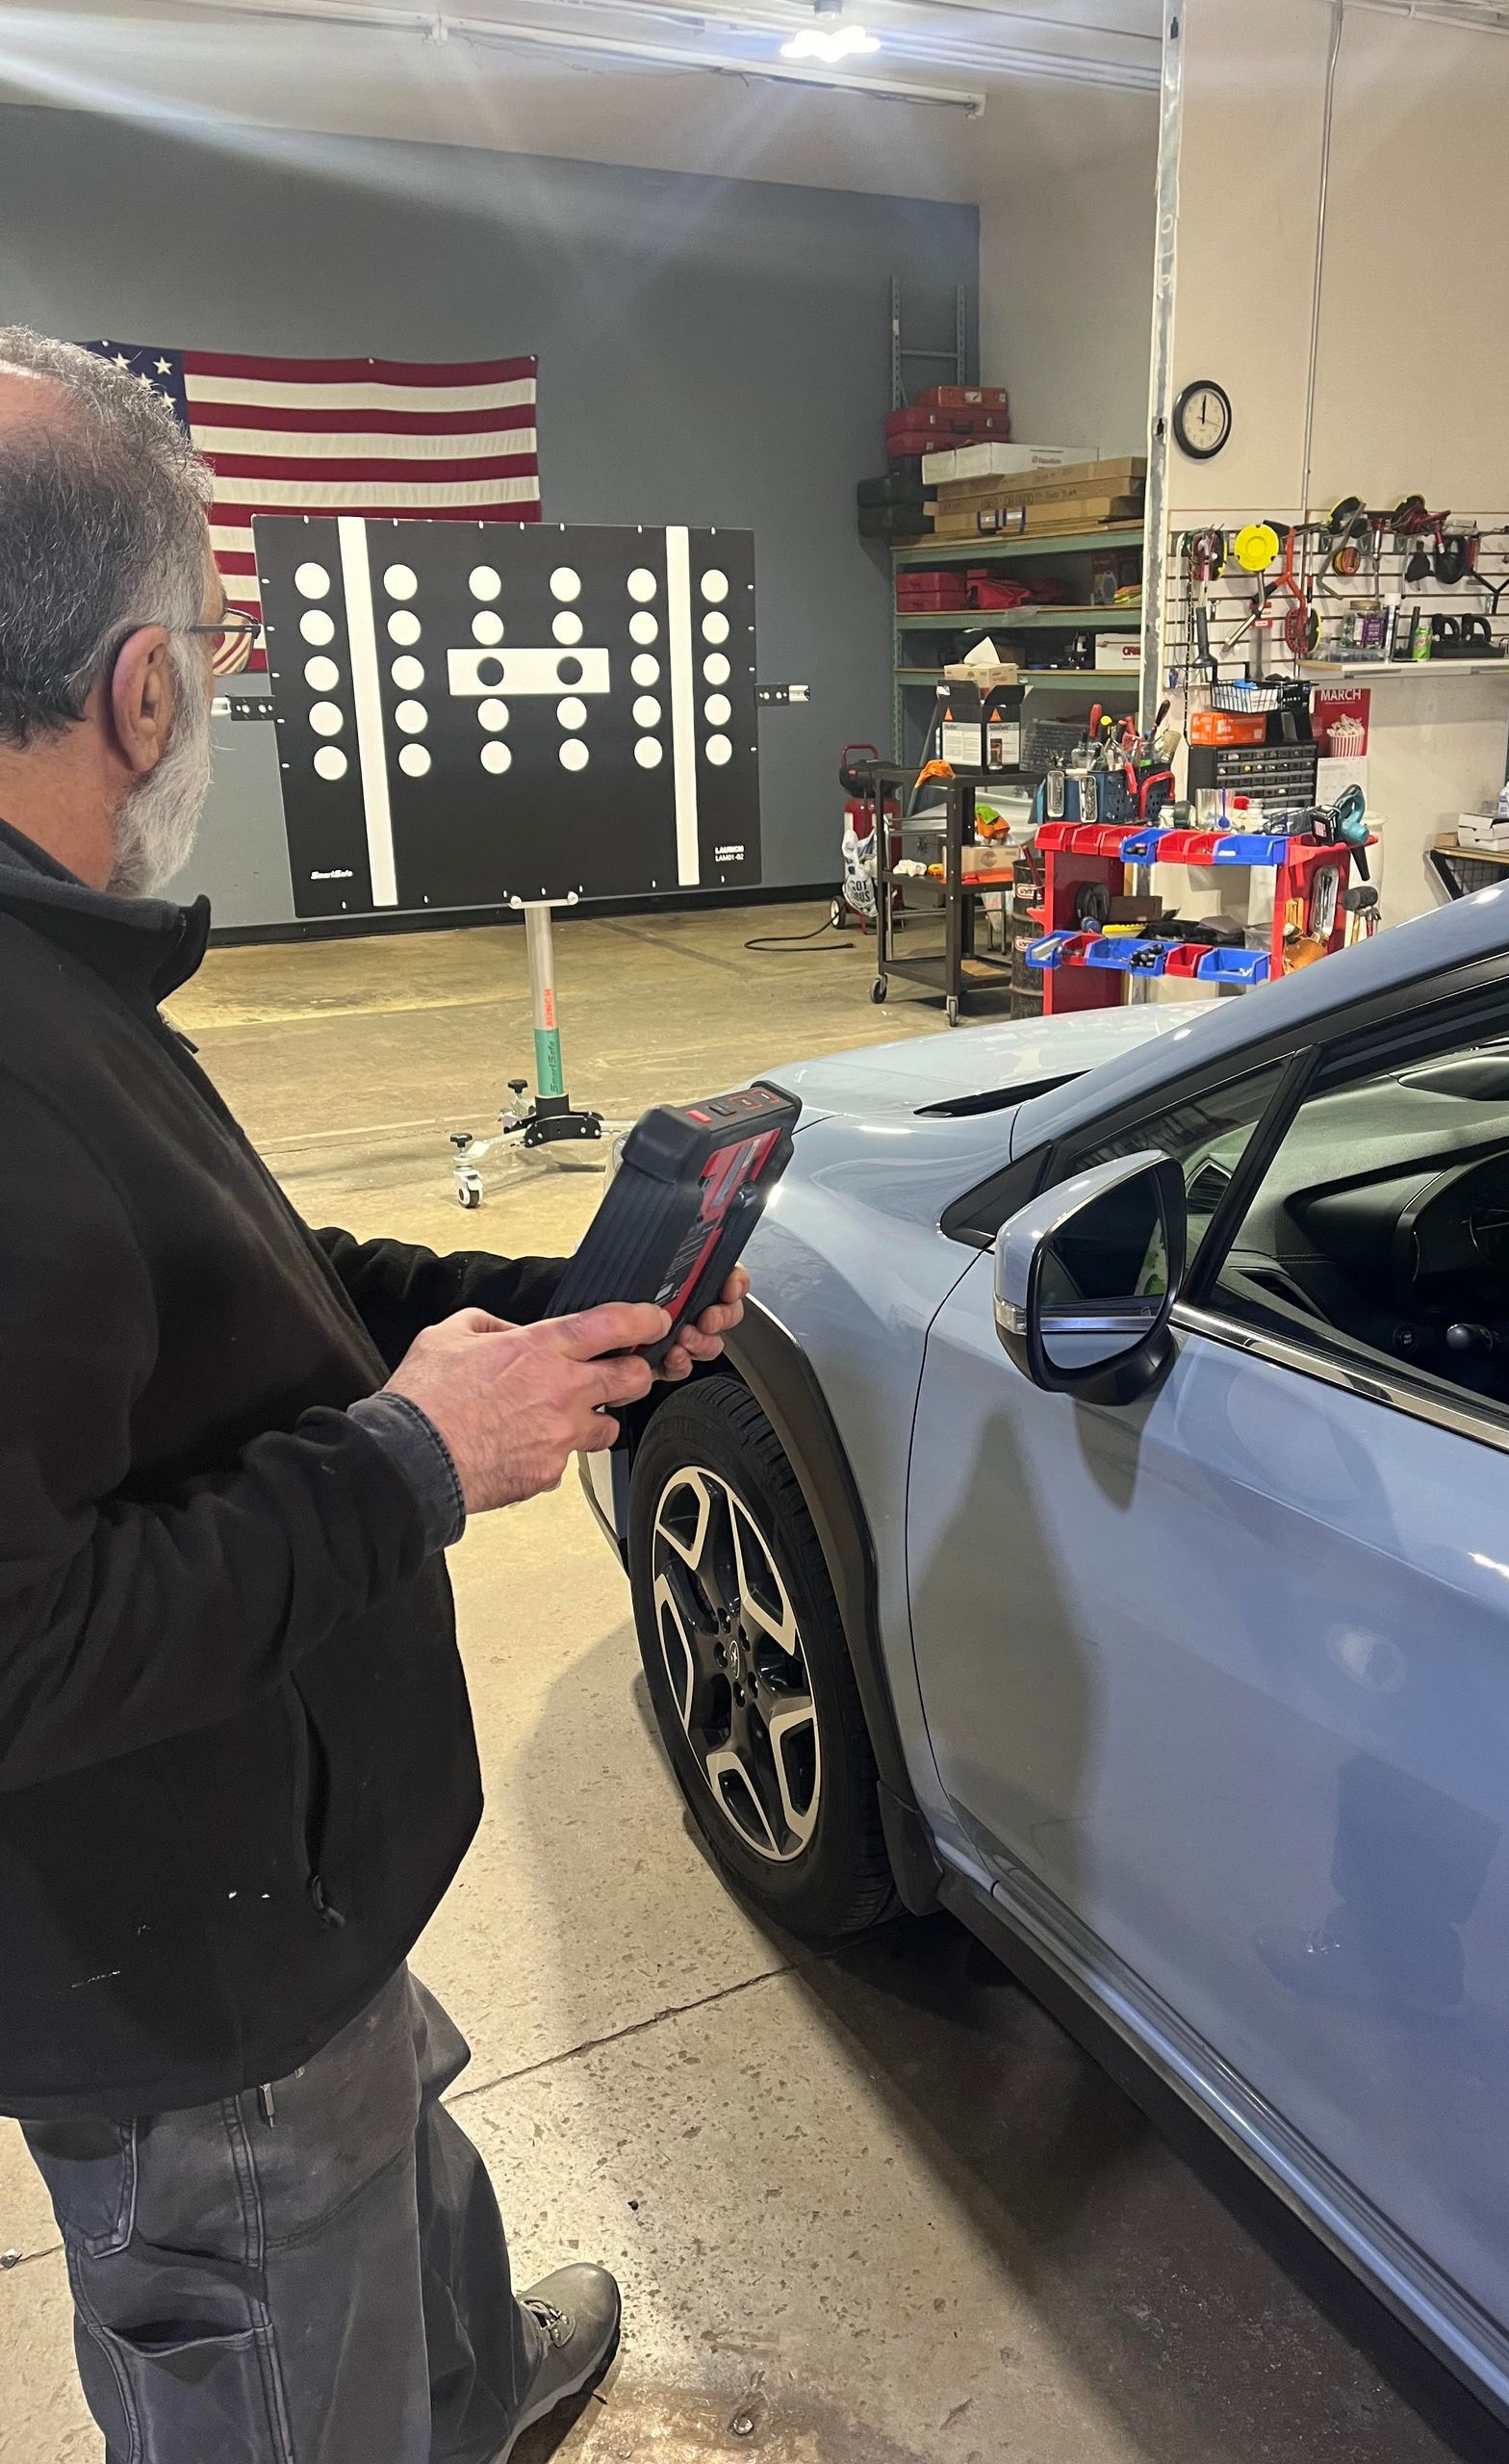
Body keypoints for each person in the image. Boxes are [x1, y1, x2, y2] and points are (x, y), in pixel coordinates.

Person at [0, 326, 745, 2464]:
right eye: (216, 653)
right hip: (177, 1969)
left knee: (386, 2131)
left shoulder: (56, 965)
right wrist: (420, 1456)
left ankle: (464, 2381)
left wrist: (519, 1308)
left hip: (285, 1875)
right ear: (140, 687)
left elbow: (206, 1287)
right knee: (262, 2288)